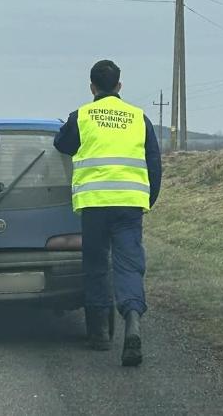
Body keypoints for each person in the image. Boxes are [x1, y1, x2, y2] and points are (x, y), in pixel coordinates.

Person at [54, 60, 162, 367]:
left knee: (97, 266)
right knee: (129, 265)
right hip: (129, 203)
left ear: (92, 88)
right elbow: (154, 163)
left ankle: (100, 335)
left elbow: (62, 144)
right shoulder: (139, 117)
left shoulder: (82, 116)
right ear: (119, 86)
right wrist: (147, 199)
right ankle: (132, 320)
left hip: (95, 203)